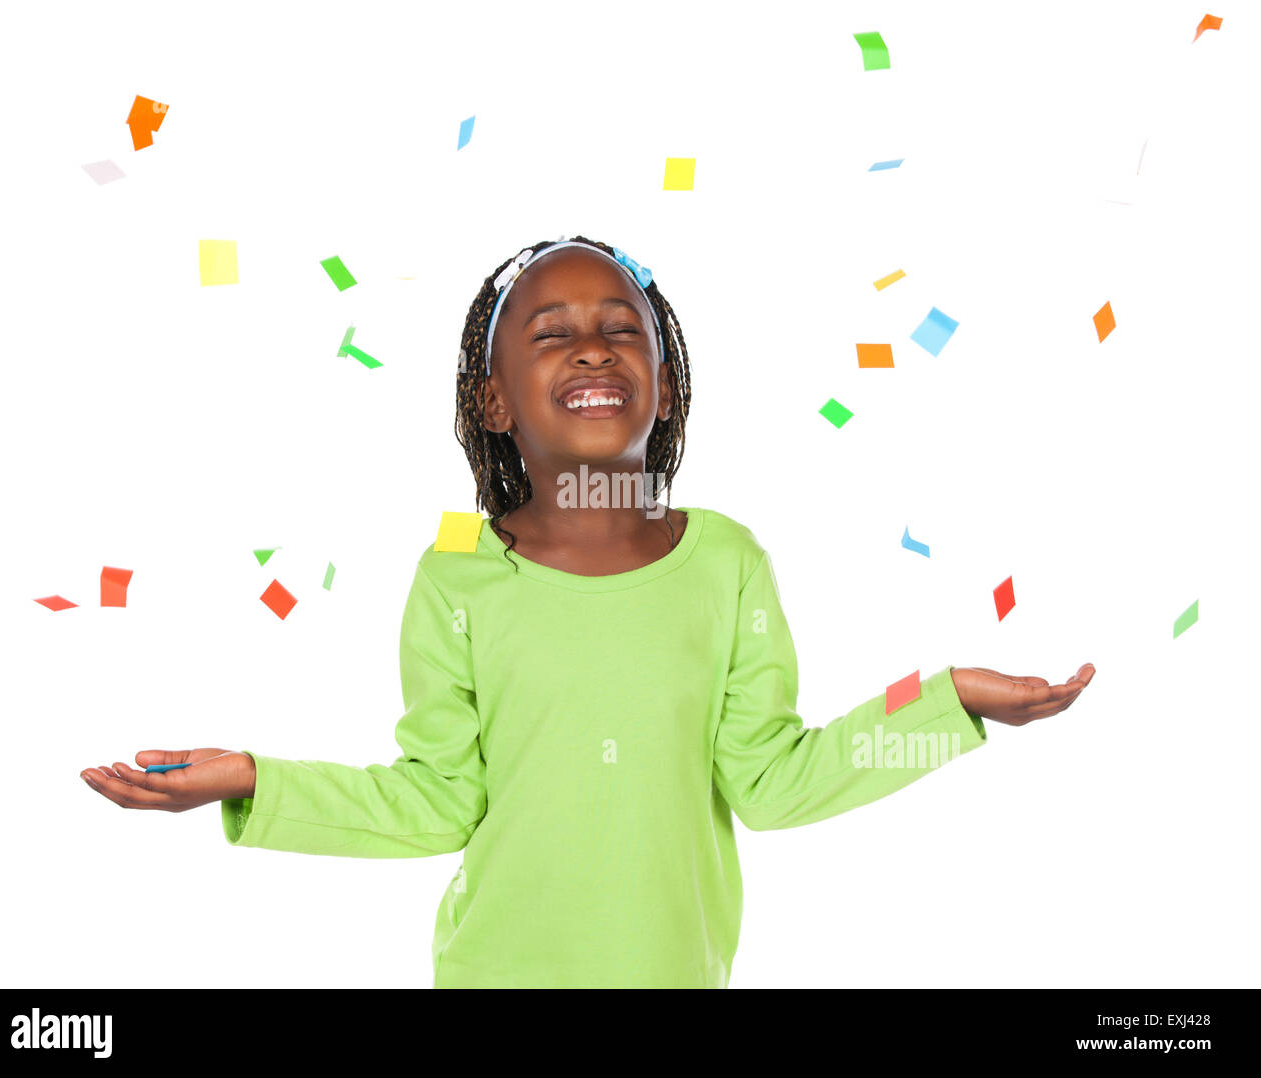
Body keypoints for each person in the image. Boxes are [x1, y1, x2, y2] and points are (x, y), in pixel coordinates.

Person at [81, 236, 1096, 988]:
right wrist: (255, 781)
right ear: (494, 401)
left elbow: (776, 782)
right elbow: (438, 800)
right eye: (552, 334)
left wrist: (949, 705)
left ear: (664, 385)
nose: (592, 350)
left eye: (622, 332)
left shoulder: (726, 561)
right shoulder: (456, 575)